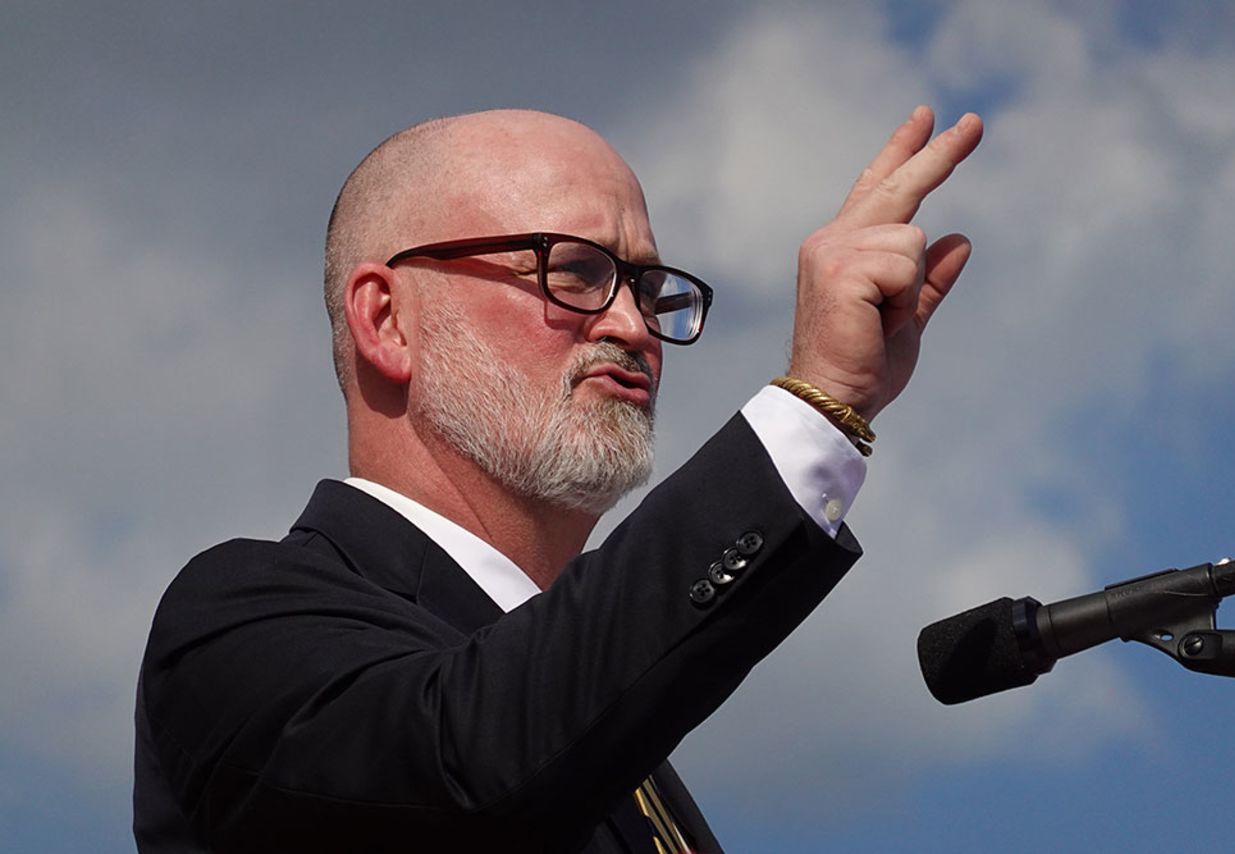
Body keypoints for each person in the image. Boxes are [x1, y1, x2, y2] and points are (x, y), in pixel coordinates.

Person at [134, 105, 982, 852]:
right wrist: (816, 403)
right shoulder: (235, 620)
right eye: (573, 270)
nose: (632, 325)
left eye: (651, 290)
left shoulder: (622, 743)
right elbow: (468, 774)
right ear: (387, 320)